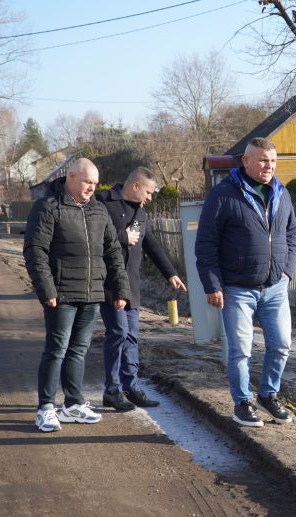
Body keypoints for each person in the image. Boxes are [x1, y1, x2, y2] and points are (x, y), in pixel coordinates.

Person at [195, 137, 296, 427]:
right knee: (241, 349)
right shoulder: (224, 195)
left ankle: (268, 394)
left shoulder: (281, 193)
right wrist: (212, 284)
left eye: (273, 161)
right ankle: (242, 403)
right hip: (237, 288)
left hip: (275, 287)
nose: (269, 166)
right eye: (264, 160)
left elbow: (292, 234)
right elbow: (206, 244)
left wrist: (288, 270)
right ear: (246, 161)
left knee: (281, 345)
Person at [24, 158, 130, 432]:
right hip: (60, 295)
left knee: (79, 351)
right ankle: (46, 408)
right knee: (56, 350)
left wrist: (120, 289)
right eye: (87, 182)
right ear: (71, 177)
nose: (92, 188)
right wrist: (46, 289)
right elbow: (35, 252)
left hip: (92, 293)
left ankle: (73, 405)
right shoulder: (48, 207)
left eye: (95, 183)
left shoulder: (99, 211)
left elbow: (113, 253)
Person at [97, 167, 187, 411]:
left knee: (132, 337)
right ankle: (112, 390)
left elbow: (152, 244)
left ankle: (131, 387)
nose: (150, 198)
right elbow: (91, 238)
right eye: (148, 192)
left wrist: (171, 273)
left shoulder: (141, 214)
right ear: (135, 185)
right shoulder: (103, 203)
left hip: (133, 285)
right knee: (118, 334)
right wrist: (120, 237)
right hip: (109, 284)